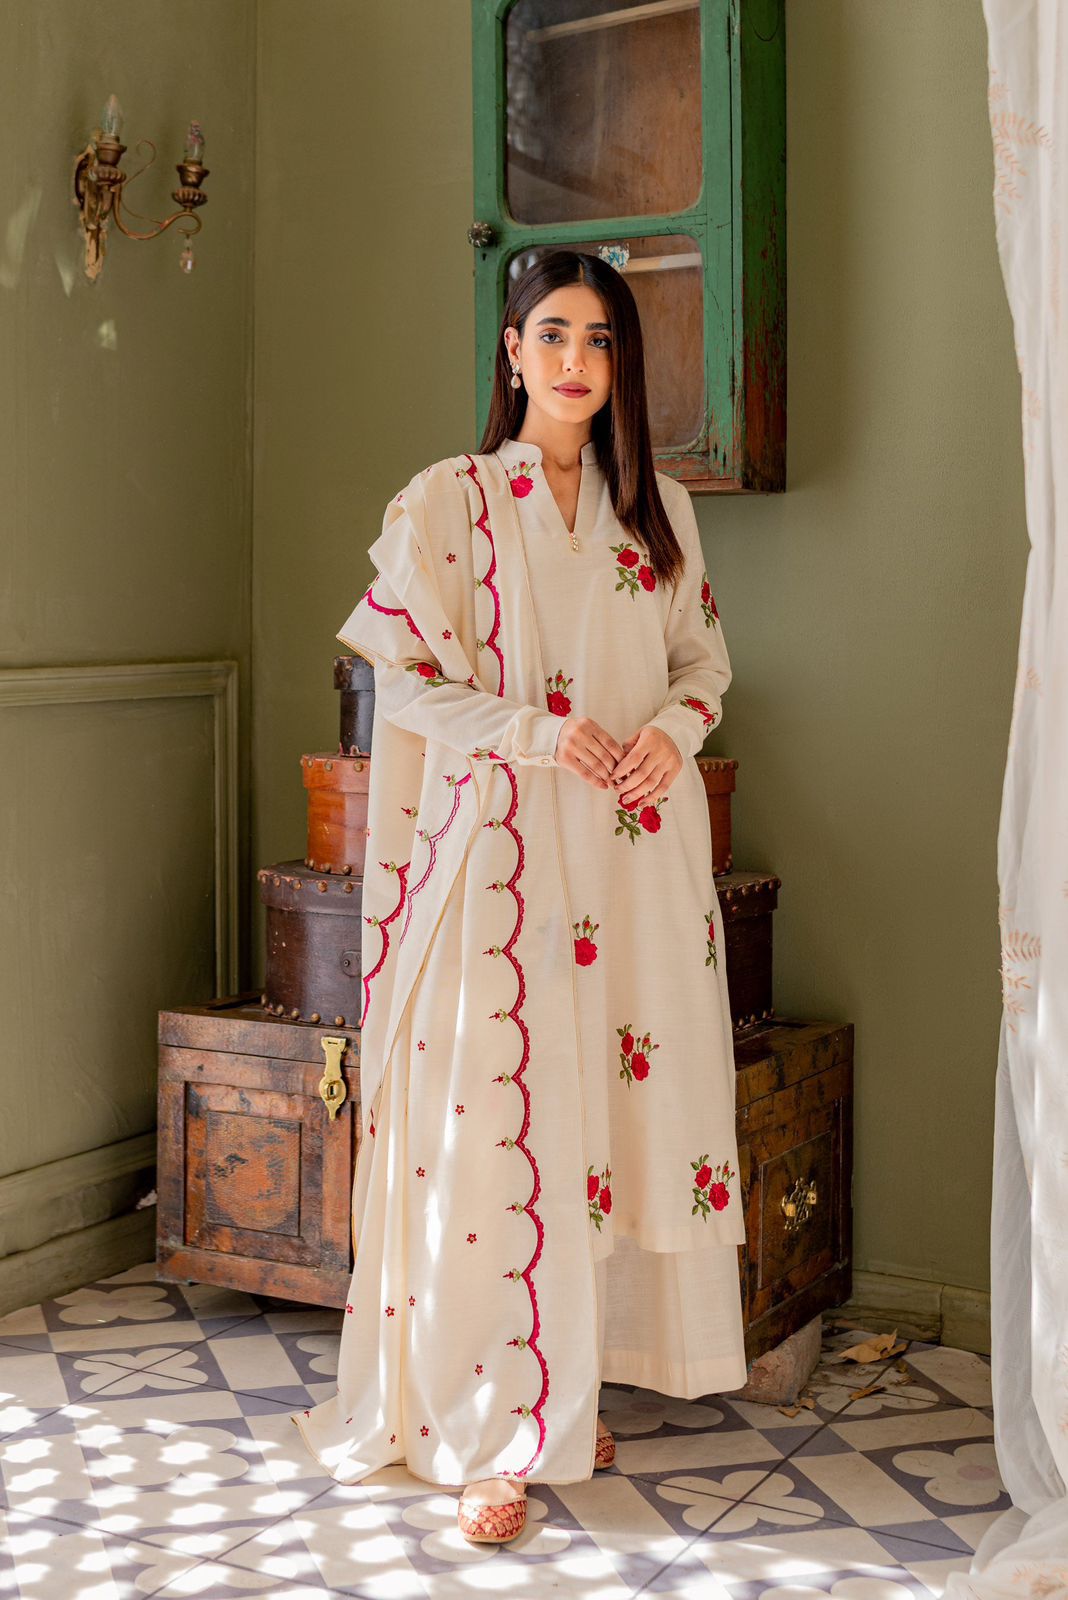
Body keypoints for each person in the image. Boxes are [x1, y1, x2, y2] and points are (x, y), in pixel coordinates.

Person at [290, 249, 749, 1544]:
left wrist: (672, 732)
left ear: (621, 364)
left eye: (599, 340)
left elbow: (705, 665)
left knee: (601, 1119)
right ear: (511, 350)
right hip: (497, 862)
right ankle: (485, 1432)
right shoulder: (450, 502)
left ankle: (561, 1390)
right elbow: (405, 685)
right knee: (495, 1136)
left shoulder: (655, 509)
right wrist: (540, 737)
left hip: (631, 854)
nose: (576, 361)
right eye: (553, 334)